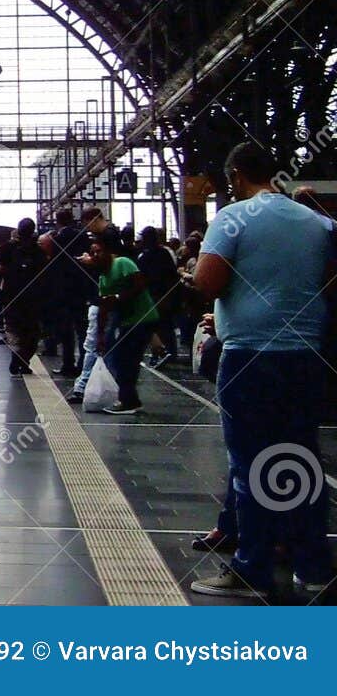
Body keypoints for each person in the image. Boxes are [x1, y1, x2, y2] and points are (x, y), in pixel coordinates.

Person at [189, 142, 334, 601]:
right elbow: (331, 283)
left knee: (250, 465)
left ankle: (252, 568)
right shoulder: (318, 223)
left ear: (235, 176)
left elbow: (208, 281)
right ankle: (312, 567)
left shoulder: (233, 218)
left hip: (251, 357)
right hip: (305, 357)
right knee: (301, 461)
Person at [86, 226, 159, 415]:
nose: (95, 255)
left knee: (126, 359)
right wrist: (100, 336)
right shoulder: (103, 277)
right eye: (92, 253)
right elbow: (103, 308)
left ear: (108, 251)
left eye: (98, 251)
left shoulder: (123, 263)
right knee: (122, 359)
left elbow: (139, 283)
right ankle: (128, 398)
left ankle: (129, 401)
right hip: (127, 322)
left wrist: (118, 298)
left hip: (143, 317)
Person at [39, 208, 94, 377]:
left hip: (62, 290)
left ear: (57, 221)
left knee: (65, 330)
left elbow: (52, 263)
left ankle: (68, 364)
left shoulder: (57, 239)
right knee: (82, 329)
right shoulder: (83, 236)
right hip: (81, 289)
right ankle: (83, 365)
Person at [0, 217, 46, 376]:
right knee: (32, 332)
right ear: (33, 230)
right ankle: (23, 361)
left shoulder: (7, 248)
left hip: (11, 296)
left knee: (14, 329)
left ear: (18, 229)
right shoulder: (38, 250)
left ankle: (16, 356)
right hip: (34, 298)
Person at [135, 226, 180, 365]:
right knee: (167, 325)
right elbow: (173, 275)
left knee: (153, 327)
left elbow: (141, 278)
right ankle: (171, 352)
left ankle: (158, 353)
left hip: (151, 296)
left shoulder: (144, 257)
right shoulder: (165, 253)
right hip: (166, 295)